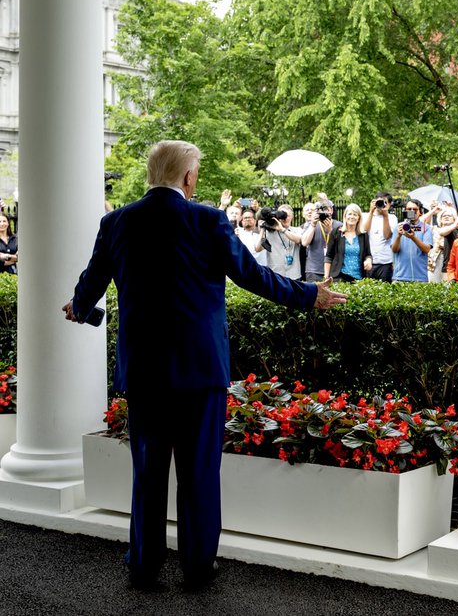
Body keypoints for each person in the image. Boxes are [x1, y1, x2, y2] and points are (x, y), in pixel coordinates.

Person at [62, 140, 345, 591]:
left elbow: (92, 281)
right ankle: (196, 567)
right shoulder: (207, 219)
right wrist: (309, 295)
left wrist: (80, 306)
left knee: (147, 472)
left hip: (145, 371)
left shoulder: (116, 222)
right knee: (198, 473)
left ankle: (144, 565)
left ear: (151, 174)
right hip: (200, 370)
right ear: (189, 177)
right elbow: (252, 276)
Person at [300, 199, 341, 283]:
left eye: (326, 209)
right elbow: (304, 242)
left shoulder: (339, 225)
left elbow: (341, 247)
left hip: (333, 271)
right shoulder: (311, 224)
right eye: (320, 209)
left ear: (331, 210)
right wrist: (313, 225)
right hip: (314, 270)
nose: (323, 212)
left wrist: (330, 232)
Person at [391, 199, 433, 282]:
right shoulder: (398, 227)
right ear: (405, 211)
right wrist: (398, 236)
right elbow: (394, 250)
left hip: (420, 277)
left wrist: (413, 238)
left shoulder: (426, 228)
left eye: (415, 209)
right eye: (409, 209)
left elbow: (427, 249)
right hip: (400, 276)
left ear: (420, 212)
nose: (412, 211)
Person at [325, 203, 366, 282]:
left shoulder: (363, 235)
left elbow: (368, 254)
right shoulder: (336, 232)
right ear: (345, 216)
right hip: (339, 277)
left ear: (359, 218)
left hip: (359, 278)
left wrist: (368, 260)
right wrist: (326, 277)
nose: (352, 217)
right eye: (349, 214)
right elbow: (329, 256)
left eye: (355, 214)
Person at [362, 194, 398, 282]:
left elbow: (387, 236)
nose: (382, 204)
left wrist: (385, 216)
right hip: (369, 261)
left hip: (385, 262)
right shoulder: (366, 216)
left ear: (389, 204)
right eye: (379, 201)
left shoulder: (392, 218)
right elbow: (364, 232)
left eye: (385, 202)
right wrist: (371, 212)